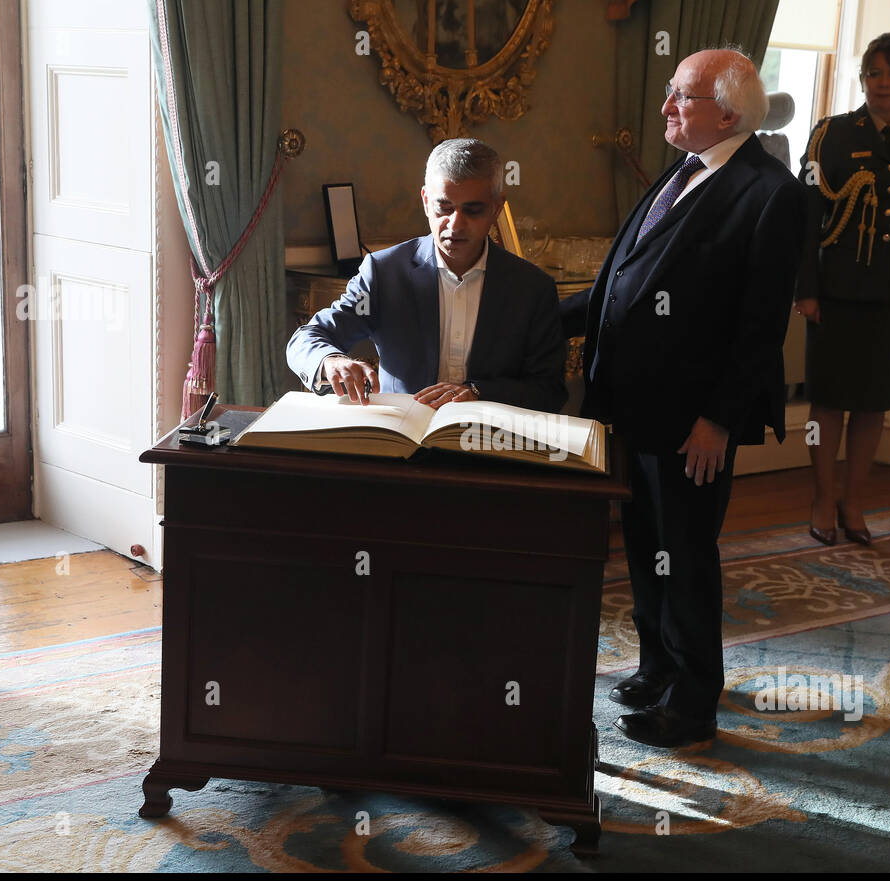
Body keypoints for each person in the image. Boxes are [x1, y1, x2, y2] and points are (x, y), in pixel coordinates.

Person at [561, 47, 806, 748]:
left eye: (682, 97)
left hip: (693, 422)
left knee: (687, 554)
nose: (667, 107)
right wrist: (531, 322)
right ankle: (658, 664)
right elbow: (622, 283)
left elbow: (761, 325)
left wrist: (719, 420)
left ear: (728, 112)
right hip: (630, 409)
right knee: (644, 547)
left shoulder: (771, 194)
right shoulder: (686, 169)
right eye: (670, 92)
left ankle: (694, 701)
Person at [794, 32, 890, 545]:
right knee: (829, 401)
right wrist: (806, 290)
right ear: (862, 80)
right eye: (874, 73)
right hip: (837, 290)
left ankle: (854, 501)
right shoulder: (831, 134)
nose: (884, 83)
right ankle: (821, 498)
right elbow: (809, 216)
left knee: (875, 404)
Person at [288, 138, 566, 414]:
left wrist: (478, 392)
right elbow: (307, 338)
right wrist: (330, 360)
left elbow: (549, 391)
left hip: (490, 445)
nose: (455, 225)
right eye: (444, 207)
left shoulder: (532, 288)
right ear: (425, 201)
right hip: (402, 445)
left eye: (472, 210)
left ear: (496, 208)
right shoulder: (385, 273)